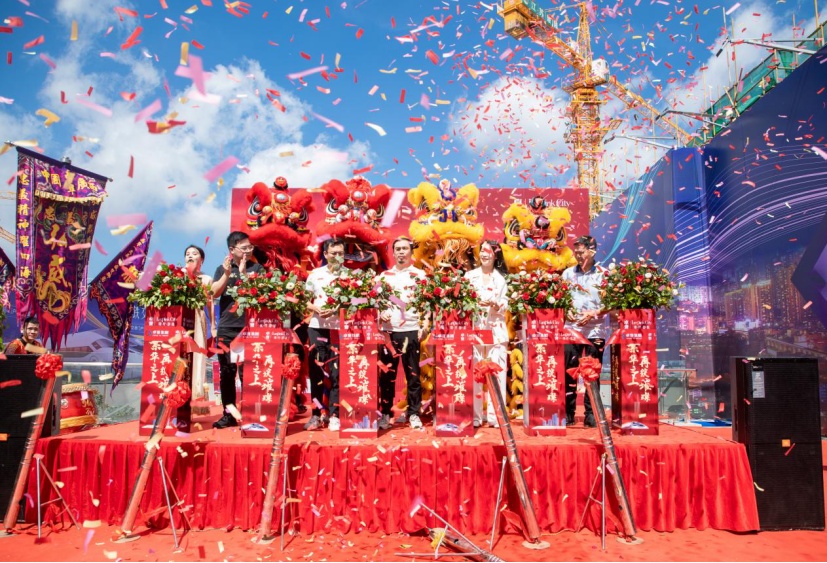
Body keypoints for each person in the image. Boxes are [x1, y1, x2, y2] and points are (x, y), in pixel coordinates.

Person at [210, 232, 264, 429]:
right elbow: (213, 293)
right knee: (227, 372)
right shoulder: (222, 268)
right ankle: (229, 414)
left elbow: (259, 294)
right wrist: (227, 274)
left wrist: (243, 274)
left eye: (250, 247)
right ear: (232, 250)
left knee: (248, 373)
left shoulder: (257, 268)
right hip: (227, 327)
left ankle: (249, 414)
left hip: (250, 327)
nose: (248, 251)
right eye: (244, 248)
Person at [377, 237, 426, 430]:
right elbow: (375, 302)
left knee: (413, 376)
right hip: (388, 332)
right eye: (397, 249)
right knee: (386, 376)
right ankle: (385, 413)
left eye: (405, 248)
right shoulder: (383, 277)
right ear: (393, 252)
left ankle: (414, 414)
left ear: (411, 251)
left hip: (410, 330)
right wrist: (381, 313)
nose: (401, 252)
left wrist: (424, 324)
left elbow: (426, 304)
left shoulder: (420, 275)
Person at [561, 235, 607, 428]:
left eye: (582, 252)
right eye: (576, 252)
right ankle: (568, 413)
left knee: (592, 372)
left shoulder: (603, 274)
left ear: (592, 251)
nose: (578, 256)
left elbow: (611, 304)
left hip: (595, 330)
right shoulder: (567, 274)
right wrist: (566, 311)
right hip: (571, 329)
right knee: (568, 372)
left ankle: (591, 413)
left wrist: (594, 313)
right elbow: (560, 299)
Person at [303, 238, 348, 432]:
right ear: (325, 254)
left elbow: (356, 303)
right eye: (333, 253)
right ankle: (316, 414)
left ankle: (335, 414)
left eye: (341, 254)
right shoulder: (315, 274)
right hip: (317, 327)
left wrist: (337, 310)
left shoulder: (350, 276)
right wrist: (316, 309)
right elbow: (304, 300)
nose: (337, 257)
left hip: (339, 329)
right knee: (317, 372)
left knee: (338, 373)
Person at [464, 241, 509, 428]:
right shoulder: (469, 276)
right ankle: (475, 416)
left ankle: (495, 416)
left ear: (495, 255)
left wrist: (496, 305)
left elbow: (506, 303)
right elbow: (462, 301)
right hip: (474, 330)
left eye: (488, 252)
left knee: (496, 373)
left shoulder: (501, 278)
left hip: (495, 330)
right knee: (474, 372)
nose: (484, 254)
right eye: (482, 251)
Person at [184, 244, 214, 417]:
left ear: (201, 259)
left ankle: (196, 402)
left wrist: (213, 326)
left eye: (194, 253)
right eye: (187, 254)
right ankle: (176, 400)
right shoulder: (176, 276)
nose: (190, 256)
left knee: (197, 359)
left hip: (197, 317)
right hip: (180, 319)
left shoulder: (206, 279)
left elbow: (210, 304)